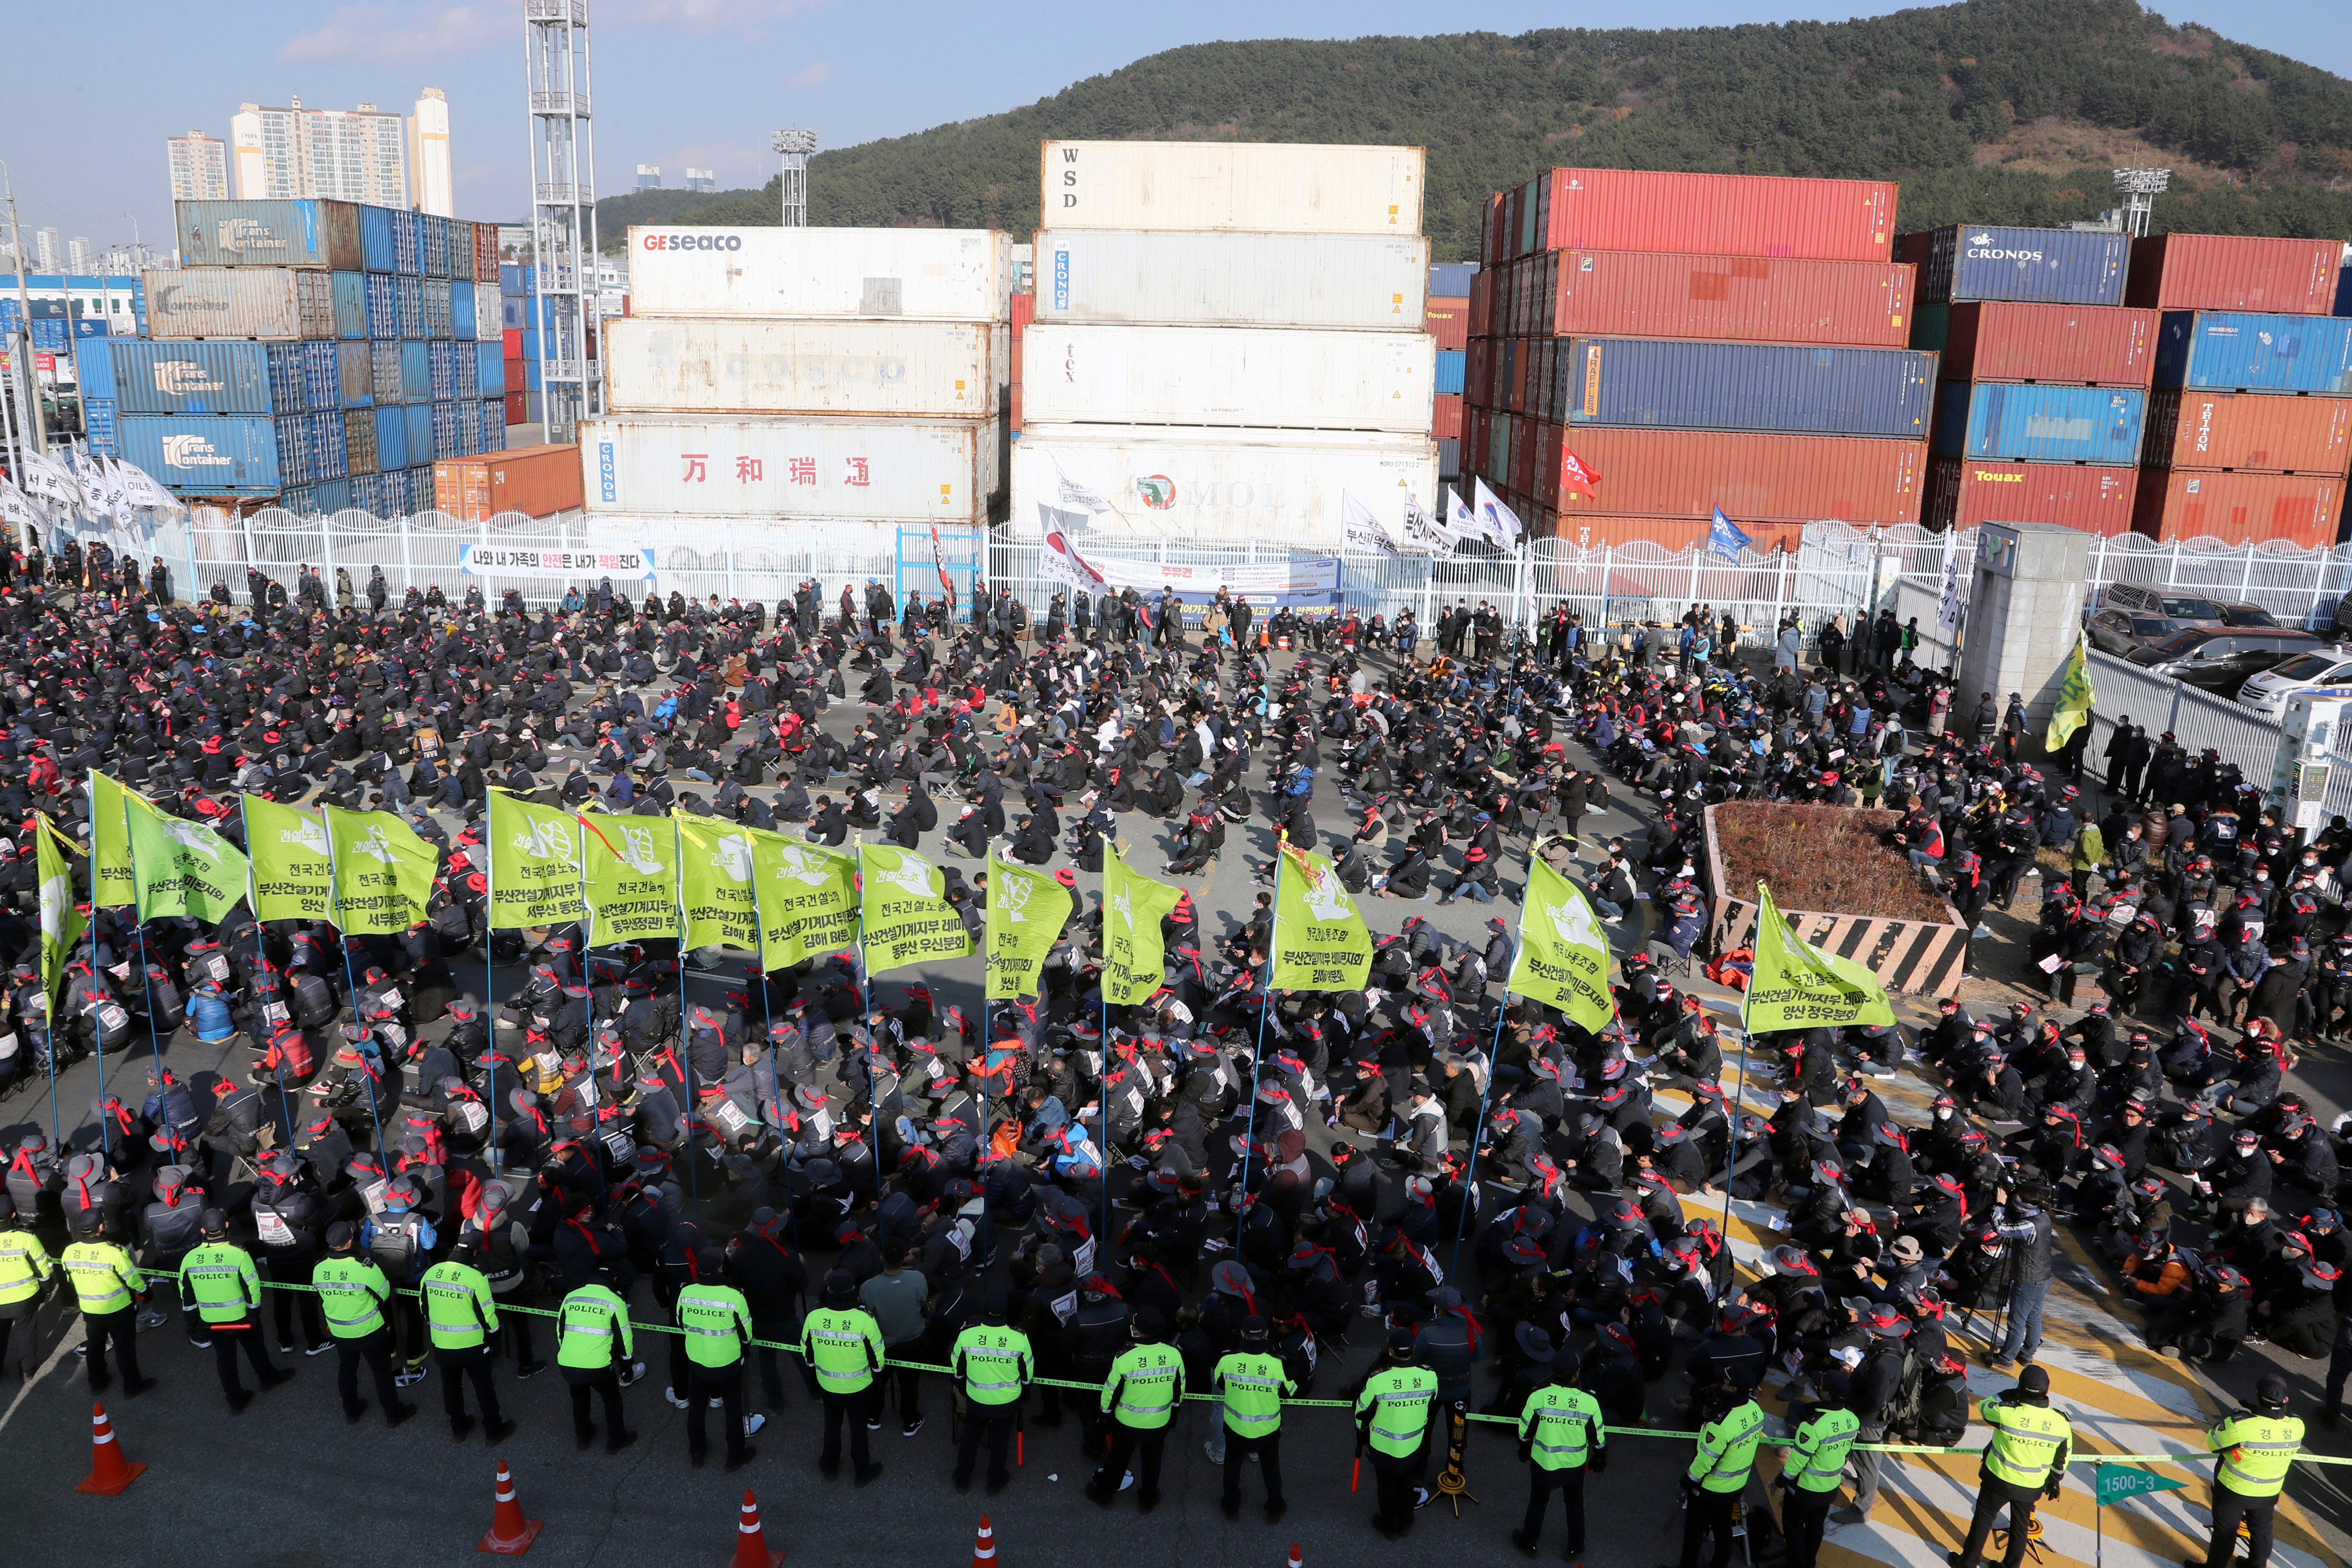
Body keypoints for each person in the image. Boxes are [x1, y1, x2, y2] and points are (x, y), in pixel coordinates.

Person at [1948, 1364, 2071, 1568]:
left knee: (1984, 1519)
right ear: (2047, 1391)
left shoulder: (2006, 1414)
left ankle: (1968, 1562)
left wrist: (2008, 1394)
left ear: (2020, 1388)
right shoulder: (2061, 1423)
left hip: (1998, 1479)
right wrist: (2055, 1482)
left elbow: (1985, 1406)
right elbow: (2063, 1458)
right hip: (2032, 1487)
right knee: (2020, 1527)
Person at [178, 1209, 290, 1413]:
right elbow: (252, 1288)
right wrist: (254, 1315)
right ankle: (268, 1379)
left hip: (211, 1320)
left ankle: (235, 1400)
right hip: (242, 1319)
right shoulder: (240, 1254)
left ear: (203, 1230)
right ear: (227, 1227)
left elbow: (187, 1296)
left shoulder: (190, 1258)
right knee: (256, 1350)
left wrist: (192, 1323)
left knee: (225, 1360)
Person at [2191, 1372, 2301, 1568]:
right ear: (2285, 1400)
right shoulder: (2297, 1426)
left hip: (2234, 1490)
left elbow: (2212, 1443)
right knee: (2262, 1531)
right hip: (2269, 1492)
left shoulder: (2240, 1426)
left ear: (2256, 1392)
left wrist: (2228, 1422)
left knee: (2225, 1531)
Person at [312, 1221, 413, 1427]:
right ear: (350, 1241)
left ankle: (351, 1411)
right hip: (370, 1331)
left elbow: (320, 1296)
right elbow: (384, 1294)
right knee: (382, 1372)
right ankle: (393, 1414)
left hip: (340, 1331)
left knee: (347, 1370)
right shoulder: (365, 1267)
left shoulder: (319, 1268)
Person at [1512, 1348, 1606, 1559]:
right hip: (1574, 1465)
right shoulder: (1589, 1403)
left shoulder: (1538, 1397)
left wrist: (1524, 1448)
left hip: (1543, 1462)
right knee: (1574, 1504)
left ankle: (1529, 1543)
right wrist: (1601, 1456)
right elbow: (1598, 1437)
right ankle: (1576, 1547)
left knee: (1538, 1502)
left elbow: (1525, 1430)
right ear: (1577, 1373)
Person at [1090, 1306, 1186, 1512]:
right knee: (1153, 1461)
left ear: (1140, 1332)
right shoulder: (1174, 1355)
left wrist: (1104, 1415)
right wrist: (1175, 1411)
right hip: (1160, 1421)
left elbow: (1111, 1391)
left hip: (1128, 1423)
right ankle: (1148, 1499)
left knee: (1118, 1458)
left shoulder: (1125, 1358)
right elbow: (1180, 1387)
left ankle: (1105, 1494)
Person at [677, 1245, 764, 1471]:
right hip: (728, 1363)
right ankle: (734, 1456)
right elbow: (746, 1334)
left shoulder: (686, 1292)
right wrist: (746, 1350)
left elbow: (681, 1323)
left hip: (697, 1360)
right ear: (720, 1268)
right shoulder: (734, 1296)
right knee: (733, 1410)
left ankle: (697, 1453)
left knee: (697, 1408)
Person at [420, 1240, 515, 1445]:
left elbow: (424, 1309)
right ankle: (493, 1431)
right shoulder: (476, 1278)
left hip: (443, 1343)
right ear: (475, 1253)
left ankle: (458, 1428)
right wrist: (495, 1336)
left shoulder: (432, 1272)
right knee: (484, 1389)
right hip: (474, 1346)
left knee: (451, 1387)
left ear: (455, 1248)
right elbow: (487, 1315)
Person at [801, 1268, 886, 1486]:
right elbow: (877, 1357)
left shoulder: (814, 1316)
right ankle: (862, 1472)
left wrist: (814, 1377)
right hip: (859, 1387)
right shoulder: (865, 1319)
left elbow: (807, 1353)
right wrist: (877, 1382)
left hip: (828, 1385)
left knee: (832, 1425)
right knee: (858, 1429)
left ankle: (829, 1467)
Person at [1354, 1326, 1439, 1540]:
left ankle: (1390, 1527)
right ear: (1413, 1349)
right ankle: (1407, 1522)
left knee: (1386, 1487)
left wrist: (1361, 1434)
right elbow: (1432, 1402)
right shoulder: (1429, 1376)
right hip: (1413, 1444)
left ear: (1390, 1352)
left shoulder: (1377, 1380)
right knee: (1406, 1482)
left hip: (1384, 1447)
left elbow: (1362, 1413)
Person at [1673, 1371, 1764, 1568]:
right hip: (1736, 1486)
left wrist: (1685, 1483)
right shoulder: (1755, 1410)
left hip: (1709, 1489)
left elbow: (1704, 1463)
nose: (1721, 1384)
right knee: (1723, 1527)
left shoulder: (1720, 1425)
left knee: (1694, 1534)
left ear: (1733, 1389)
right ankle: (1719, 1565)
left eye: (1726, 1382)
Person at [1211, 1314, 1296, 1523]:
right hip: (1267, 1430)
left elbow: (1221, 1385)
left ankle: (1231, 1506)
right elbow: (1289, 1393)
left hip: (1235, 1427)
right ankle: (1275, 1508)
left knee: (1232, 1467)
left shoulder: (1227, 1361)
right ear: (1267, 1334)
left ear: (1242, 1334)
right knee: (1271, 1469)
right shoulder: (1278, 1364)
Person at [61, 1218, 154, 1397]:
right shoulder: (114, 1252)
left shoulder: (69, 1251)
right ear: (102, 1227)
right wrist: (146, 1292)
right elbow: (132, 1279)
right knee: (124, 1347)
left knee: (95, 1346)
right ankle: (132, 1386)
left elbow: (69, 1279)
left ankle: (97, 1383)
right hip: (119, 1308)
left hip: (90, 1309)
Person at [950, 1292, 1032, 1495]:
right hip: (1007, 1402)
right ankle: (995, 1483)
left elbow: (957, 1369)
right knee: (1001, 1441)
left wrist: (962, 1387)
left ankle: (962, 1479)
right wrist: (1025, 1394)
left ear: (983, 1311)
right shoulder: (1019, 1338)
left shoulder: (967, 1335)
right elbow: (1027, 1375)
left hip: (976, 1399)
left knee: (970, 1436)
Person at [556, 1266, 640, 1454]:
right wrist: (627, 1365)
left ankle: (583, 1436)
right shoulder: (615, 1302)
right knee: (612, 1400)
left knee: (579, 1399)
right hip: (599, 1367)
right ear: (614, 1280)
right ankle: (616, 1440)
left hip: (569, 1363)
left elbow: (560, 1332)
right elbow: (624, 1338)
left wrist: (570, 1353)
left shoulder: (571, 1297)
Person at [1779, 1388, 1861, 1568]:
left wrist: (1780, 1482)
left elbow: (1797, 1461)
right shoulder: (1852, 1419)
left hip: (1804, 1490)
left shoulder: (1812, 1426)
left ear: (1828, 1395)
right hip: (1829, 1489)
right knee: (1816, 1528)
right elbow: (1847, 1452)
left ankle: (1797, 1565)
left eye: (1823, 1388)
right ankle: (1809, 1563)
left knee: (1794, 1528)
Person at [0, 1193, 56, 1383]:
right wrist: (47, 1289)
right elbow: (43, 1267)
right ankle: (27, 1370)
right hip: (25, 1298)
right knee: (26, 1333)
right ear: (14, 1215)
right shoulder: (27, 1238)